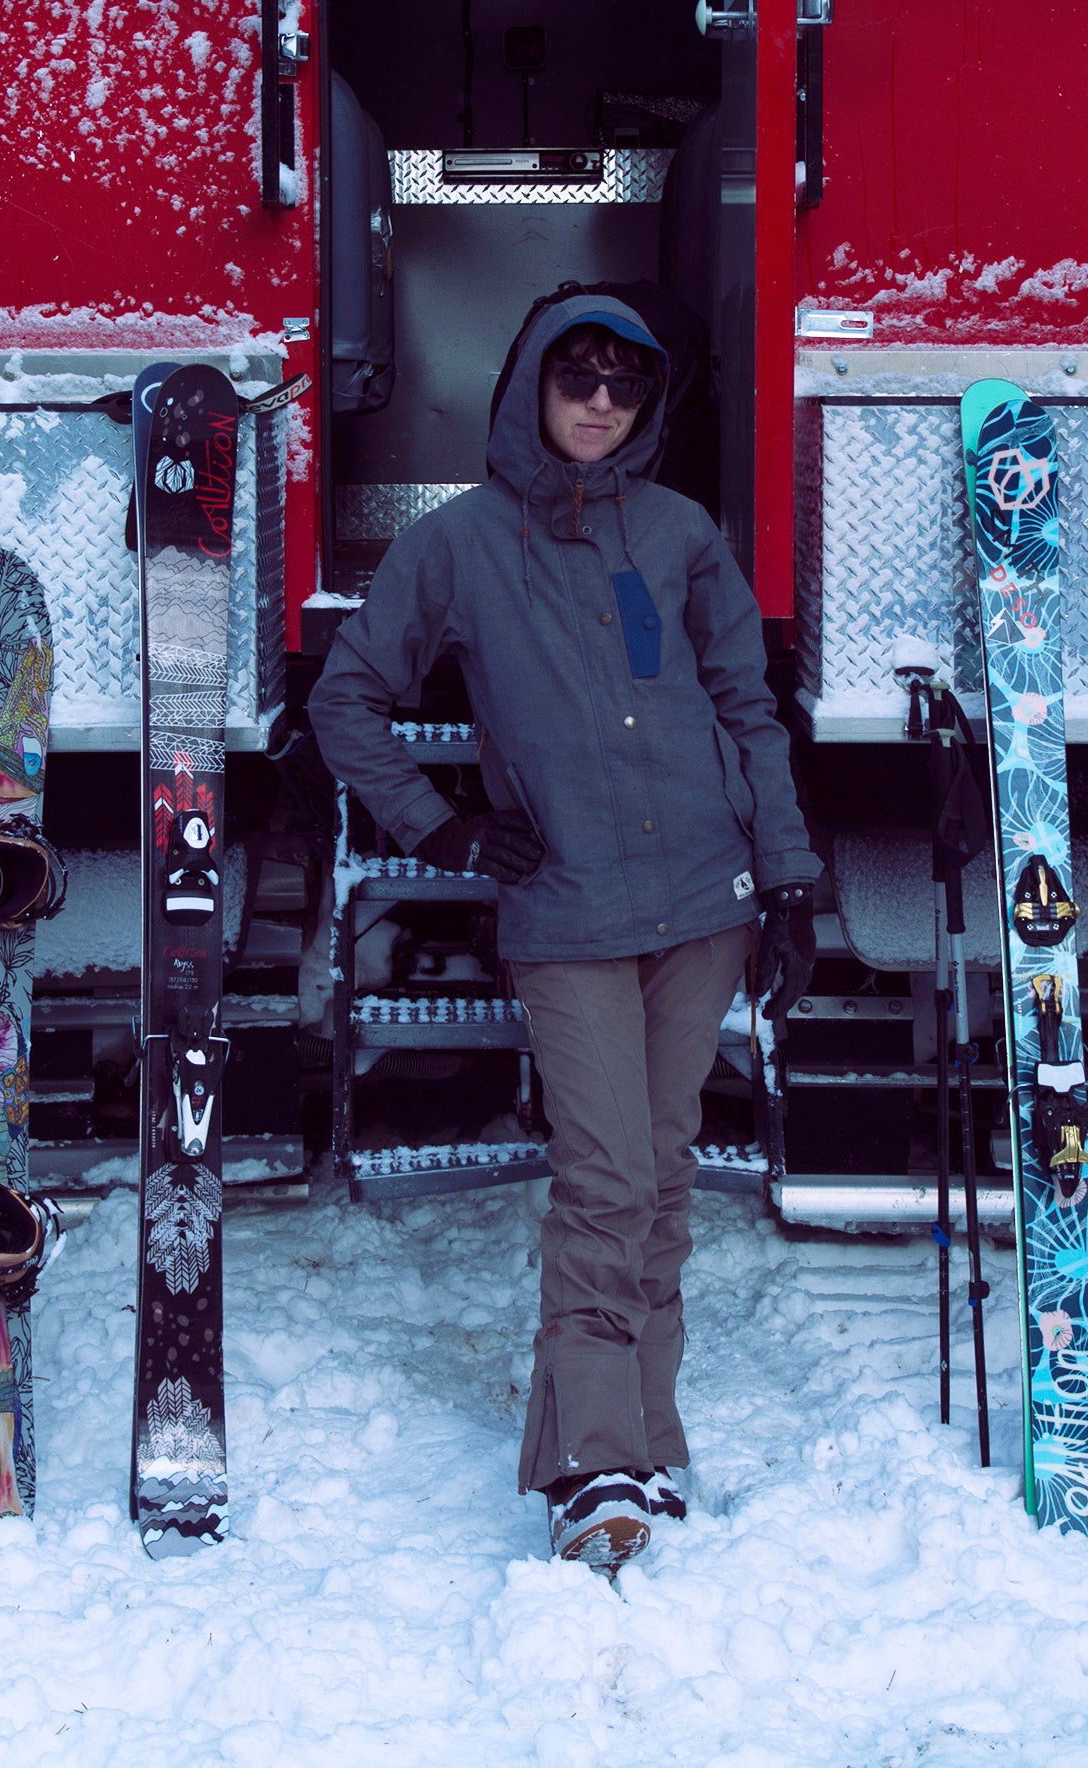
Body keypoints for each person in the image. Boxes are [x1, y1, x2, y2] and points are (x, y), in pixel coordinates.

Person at [309, 292, 820, 1572]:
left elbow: (746, 710)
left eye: (623, 383)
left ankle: (643, 1432)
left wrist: (788, 879)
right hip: (571, 909)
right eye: (575, 376)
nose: (599, 401)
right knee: (605, 1176)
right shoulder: (457, 545)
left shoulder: (680, 533)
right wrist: (440, 828)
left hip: (702, 899)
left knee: (662, 1171)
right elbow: (345, 698)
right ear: (529, 385)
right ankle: (591, 1458)